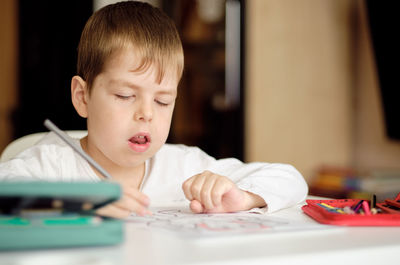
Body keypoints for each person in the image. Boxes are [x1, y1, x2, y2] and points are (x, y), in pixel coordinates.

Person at [0, 1, 308, 218]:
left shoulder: (182, 165)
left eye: (162, 101)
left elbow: (291, 179)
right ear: (82, 97)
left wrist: (242, 197)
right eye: (124, 95)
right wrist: (74, 203)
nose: (147, 113)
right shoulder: (52, 165)